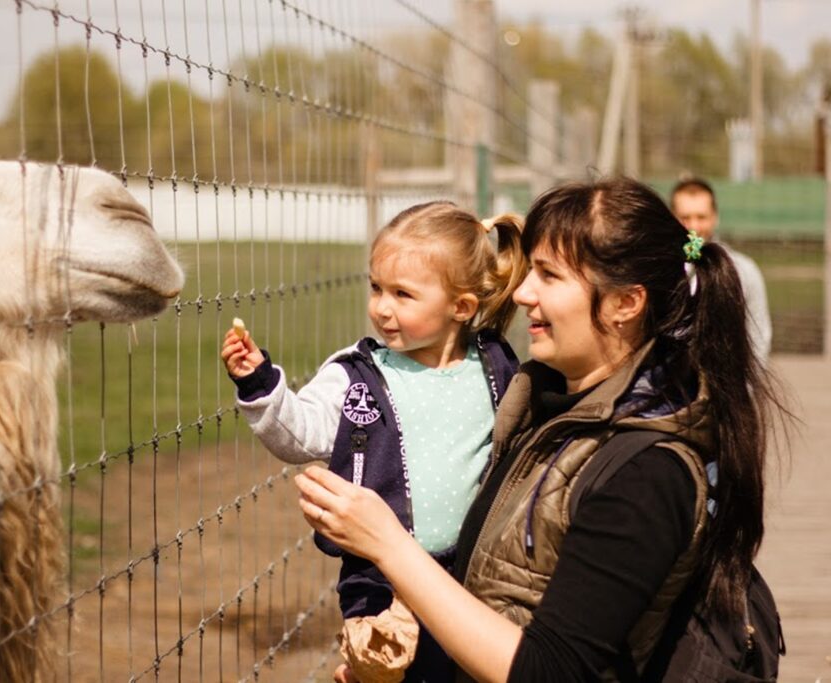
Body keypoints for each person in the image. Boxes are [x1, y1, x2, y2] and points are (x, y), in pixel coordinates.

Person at [294, 178, 785, 682]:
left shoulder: (646, 474)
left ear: (625, 304)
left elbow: (549, 671)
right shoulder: (541, 408)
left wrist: (387, 544)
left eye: (548, 275)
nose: (523, 292)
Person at [221, 202, 528, 682]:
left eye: (403, 294)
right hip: (381, 583)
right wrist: (260, 385)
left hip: (478, 573)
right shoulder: (357, 375)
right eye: (376, 287)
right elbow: (298, 433)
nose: (382, 307)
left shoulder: (495, 367)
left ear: (461, 307)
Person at [670, 177, 772, 359]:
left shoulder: (743, 270)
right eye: (685, 218)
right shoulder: (658, 270)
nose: (694, 227)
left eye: (701, 217)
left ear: (714, 217)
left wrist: (744, 386)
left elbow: (758, 337)